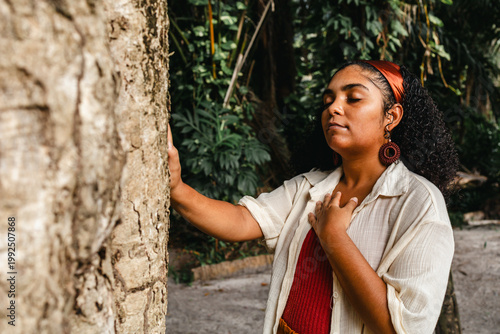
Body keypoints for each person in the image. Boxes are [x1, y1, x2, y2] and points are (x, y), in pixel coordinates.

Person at [167, 60, 459, 334]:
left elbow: (401, 327)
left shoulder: (419, 204)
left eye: (353, 98)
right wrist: (177, 188)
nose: (333, 108)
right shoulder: (311, 185)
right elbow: (241, 220)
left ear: (391, 116)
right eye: (327, 101)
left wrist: (333, 237)